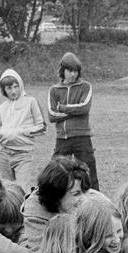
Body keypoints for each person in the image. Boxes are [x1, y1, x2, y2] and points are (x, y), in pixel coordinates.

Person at [21, 156, 94, 252]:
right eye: (76, 194)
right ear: (56, 196)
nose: (85, 199)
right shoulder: (35, 211)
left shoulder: (91, 199)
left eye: (85, 191)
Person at [47, 52, 98, 190]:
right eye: (70, 70)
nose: (73, 74)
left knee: (89, 173)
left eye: (76, 71)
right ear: (62, 70)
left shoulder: (85, 86)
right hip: (62, 138)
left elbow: (84, 108)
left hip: (82, 137)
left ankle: (96, 203)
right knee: (56, 172)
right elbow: (52, 115)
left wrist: (62, 108)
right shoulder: (54, 90)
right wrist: (73, 113)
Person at [0, 68, 45, 190]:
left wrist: (22, 132)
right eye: (9, 88)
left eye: (16, 86)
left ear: (21, 85)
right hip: (4, 155)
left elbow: (42, 127)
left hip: (23, 155)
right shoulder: (0, 109)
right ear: (3, 90)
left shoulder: (31, 102)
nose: (14, 91)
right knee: (3, 191)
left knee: (22, 191)